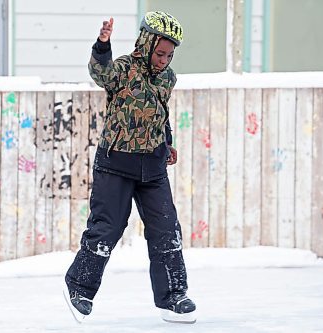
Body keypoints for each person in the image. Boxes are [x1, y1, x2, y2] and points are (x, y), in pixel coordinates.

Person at [63, 11, 196, 324]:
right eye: (160, 53)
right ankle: (79, 287)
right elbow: (101, 73)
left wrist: (169, 142)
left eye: (170, 55)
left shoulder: (167, 78)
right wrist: (102, 45)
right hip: (115, 164)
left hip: (153, 166)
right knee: (106, 229)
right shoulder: (123, 69)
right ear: (147, 44)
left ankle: (174, 296)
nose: (164, 60)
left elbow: (160, 113)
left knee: (167, 231)